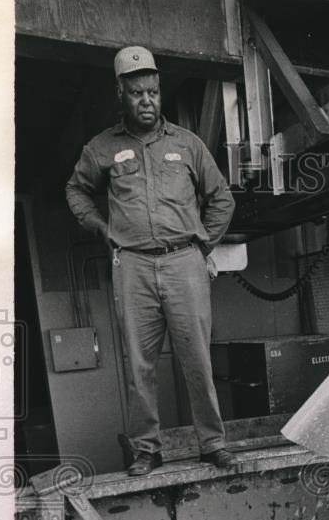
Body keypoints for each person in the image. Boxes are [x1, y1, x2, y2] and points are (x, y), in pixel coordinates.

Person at [66, 45, 238, 476]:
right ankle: (146, 450)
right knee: (139, 363)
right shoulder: (102, 147)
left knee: (197, 358)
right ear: (121, 94)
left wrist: (203, 247)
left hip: (184, 262)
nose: (147, 102)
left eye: (153, 93)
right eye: (138, 94)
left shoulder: (187, 144)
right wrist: (100, 227)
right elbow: (75, 190)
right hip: (133, 266)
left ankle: (213, 444)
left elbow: (221, 198)